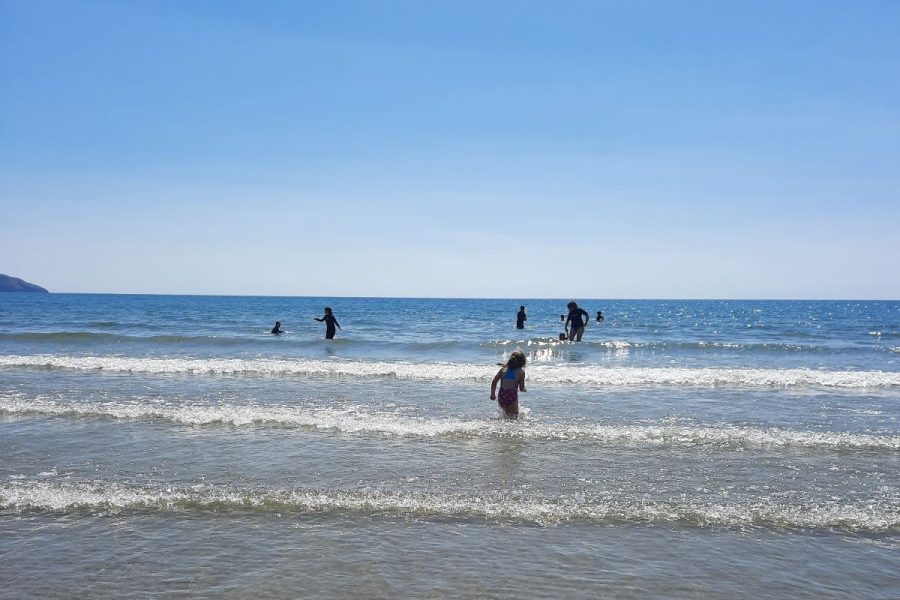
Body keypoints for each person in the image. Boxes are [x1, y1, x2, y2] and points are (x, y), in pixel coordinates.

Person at [490, 350, 527, 419]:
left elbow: (494, 381)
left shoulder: (503, 369)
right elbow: (521, 388)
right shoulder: (521, 372)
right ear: (523, 362)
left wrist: (492, 394)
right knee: (515, 416)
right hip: (512, 396)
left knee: (506, 415)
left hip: (502, 396)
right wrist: (525, 389)